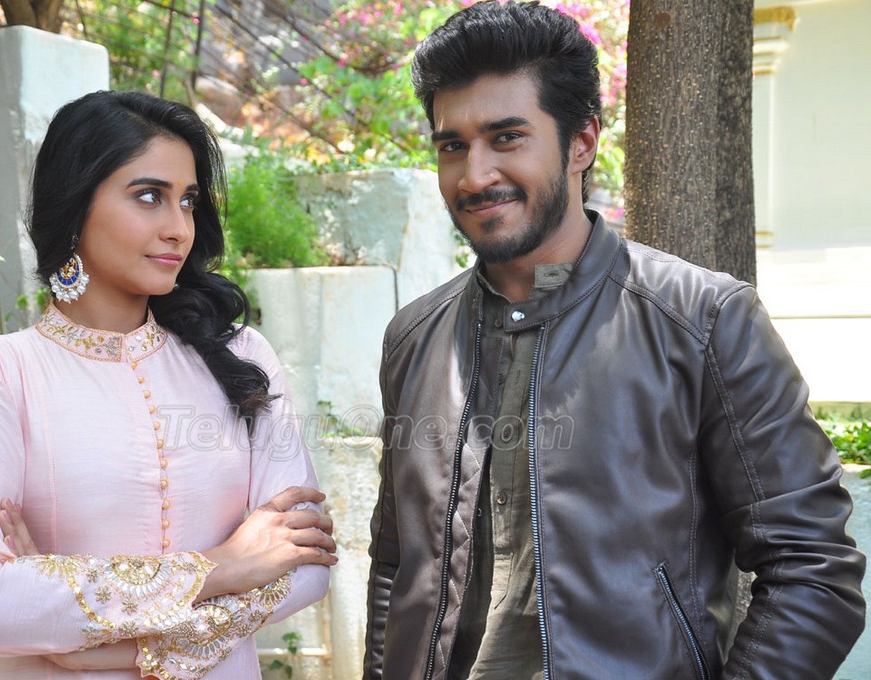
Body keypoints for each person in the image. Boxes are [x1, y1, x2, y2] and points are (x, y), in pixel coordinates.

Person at [363, 2, 866, 679]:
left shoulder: (703, 320)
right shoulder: (414, 338)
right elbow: (396, 567)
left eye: (506, 138)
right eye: (453, 146)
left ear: (582, 142)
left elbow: (813, 568)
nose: (474, 175)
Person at [0, 90, 336, 679]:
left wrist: (110, 646)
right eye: (149, 197)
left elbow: (306, 563)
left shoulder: (241, 358)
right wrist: (223, 566)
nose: (179, 228)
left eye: (188, 201)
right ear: (76, 205)